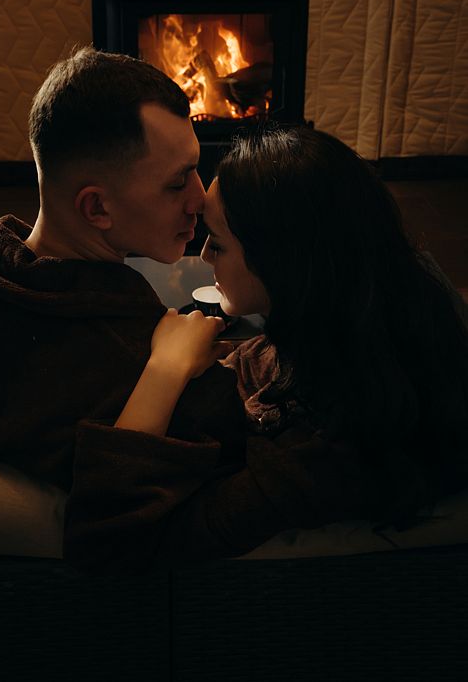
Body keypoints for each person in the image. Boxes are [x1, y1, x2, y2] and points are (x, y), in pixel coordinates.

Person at [64, 125, 468, 569]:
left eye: (218, 243)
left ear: (284, 262)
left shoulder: (321, 453)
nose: (204, 256)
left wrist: (166, 367)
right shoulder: (375, 318)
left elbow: (106, 538)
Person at [0, 46, 243, 517]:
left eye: (197, 168)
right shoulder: (151, 372)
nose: (200, 198)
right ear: (96, 207)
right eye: (177, 183)